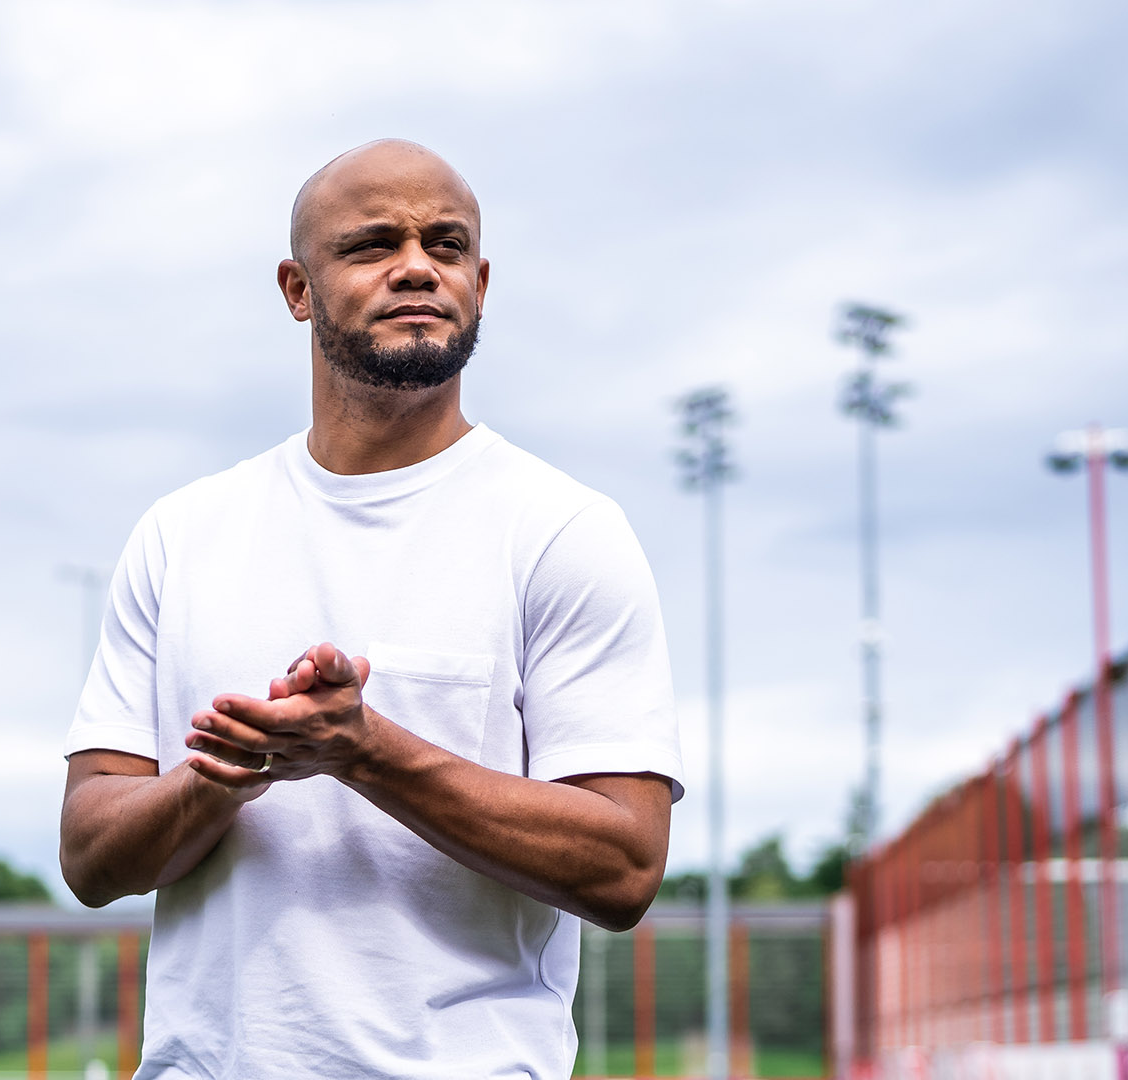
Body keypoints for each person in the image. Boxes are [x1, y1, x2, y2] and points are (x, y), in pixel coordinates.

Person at [59, 139, 681, 1079]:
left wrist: (363, 749)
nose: (417, 266)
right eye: (372, 244)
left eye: (445, 242)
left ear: (480, 278)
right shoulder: (182, 532)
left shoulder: (563, 531)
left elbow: (626, 866)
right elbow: (90, 855)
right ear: (297, 288)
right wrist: (220, 780)